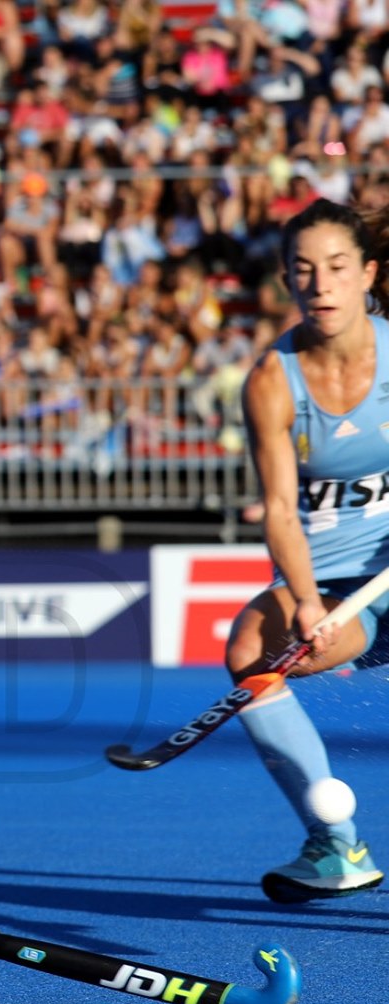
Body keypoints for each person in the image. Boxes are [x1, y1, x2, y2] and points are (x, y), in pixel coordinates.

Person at [227, 199, 385, 903]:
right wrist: (305, 600)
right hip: (331, 583)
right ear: (288, 279)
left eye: (338, 267)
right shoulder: (272, 379)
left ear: (367, 274)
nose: (321, 284)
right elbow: (280, 509)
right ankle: (336, 845)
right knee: (249, 649)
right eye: (304, 269)